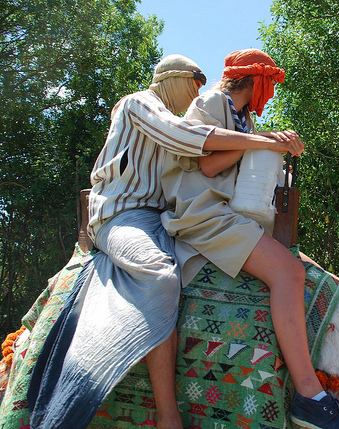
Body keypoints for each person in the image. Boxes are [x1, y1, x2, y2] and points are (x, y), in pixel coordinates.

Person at [27, 54, 299, 429]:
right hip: (122, 216)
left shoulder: (215, 118)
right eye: (195, 81)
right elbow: (186, 138)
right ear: (173, 79)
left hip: (162, 221)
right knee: (160, 277)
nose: (198, 91)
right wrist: (263, 141)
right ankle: (168, 414)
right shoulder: (139, 103)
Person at [160, 49, 339, 429]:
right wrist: (264, 143)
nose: (270, 93)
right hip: (202, 213)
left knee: (295, 262)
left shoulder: (244, 119)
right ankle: (309, 396)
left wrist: (268, 152)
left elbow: (240, 159)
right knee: (288, 273)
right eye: (269, 83)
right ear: (254, 79)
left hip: (227, 212)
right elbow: (208, 162)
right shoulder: (210, 101)